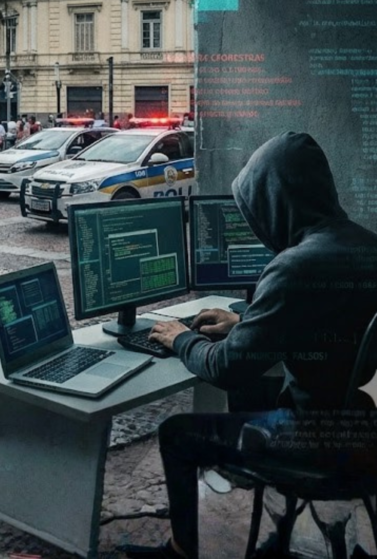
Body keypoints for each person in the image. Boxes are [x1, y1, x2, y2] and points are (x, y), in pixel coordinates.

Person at [121, 132, 377, 559]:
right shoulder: (366, 245)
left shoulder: (296, 265)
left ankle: (182, 550)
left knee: (177, 434)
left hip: (314, 439)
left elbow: (225, 367)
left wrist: (179, 337)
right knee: (251, 394)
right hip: (360, 425)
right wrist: (245, 323)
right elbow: (333, 324)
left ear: (276, 202)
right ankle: (280, 526)